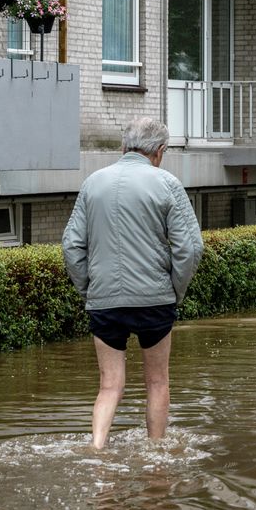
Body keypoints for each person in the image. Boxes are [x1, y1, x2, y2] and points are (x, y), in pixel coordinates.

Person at [62, 117, 203, 447]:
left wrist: (91, 289)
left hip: (104, 301)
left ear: (123, 146)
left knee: (109, 385)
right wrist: (174, 291)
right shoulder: (167, 184)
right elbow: (191, 247)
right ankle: (155, 454)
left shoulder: (92, 183)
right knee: (157, 382)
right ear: (160, 151)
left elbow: (71, 246)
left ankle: (96, 449)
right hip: (155, 301)